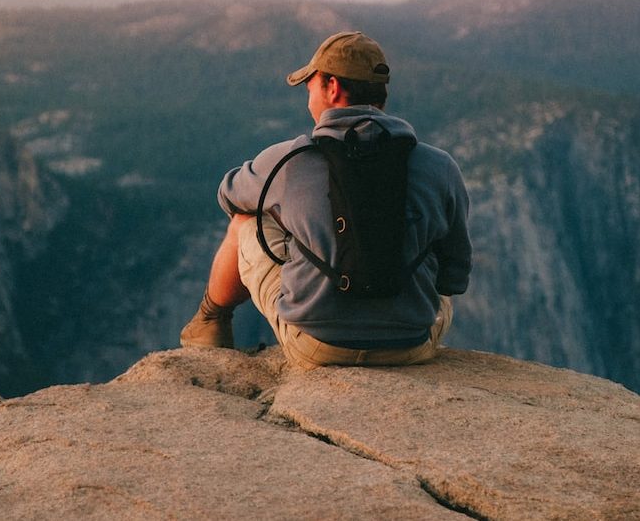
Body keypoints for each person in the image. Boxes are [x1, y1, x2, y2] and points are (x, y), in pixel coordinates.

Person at [179, 31, 471, 369]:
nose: (309, 100)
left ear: (332, 87)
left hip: (316, 347)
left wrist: (298, 218)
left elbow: (229, 195)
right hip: (410, 347)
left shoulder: (288, 162)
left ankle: (210, 324)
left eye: (310, 88)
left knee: (246, 220)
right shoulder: (441, 166)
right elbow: (454, 277)